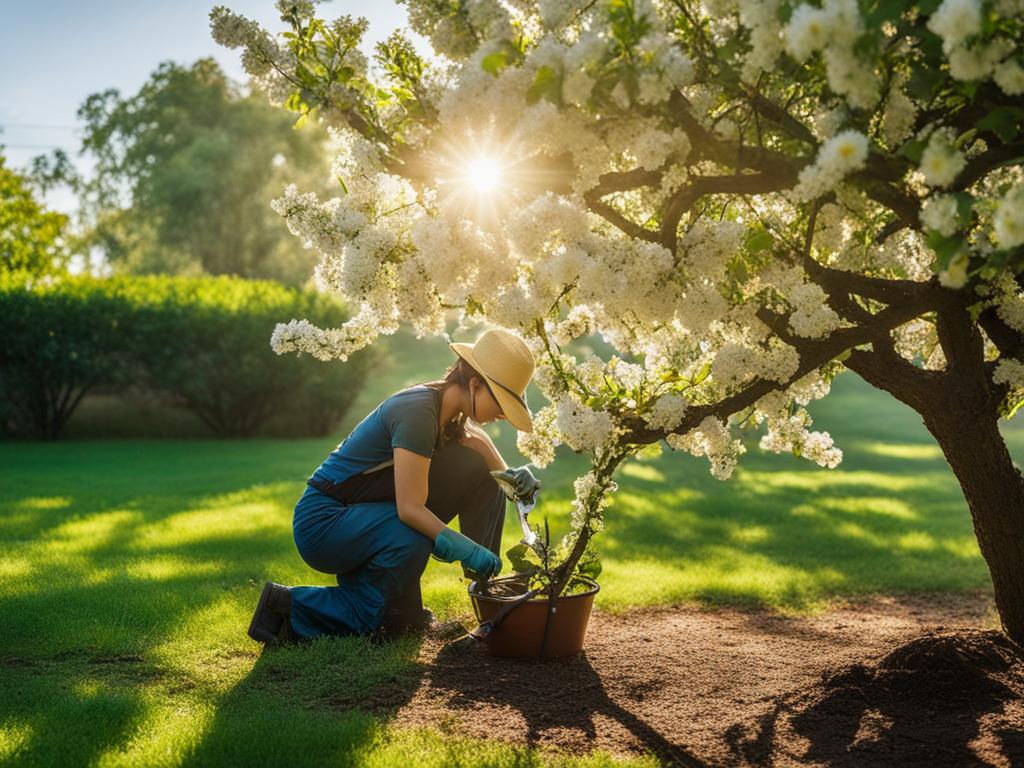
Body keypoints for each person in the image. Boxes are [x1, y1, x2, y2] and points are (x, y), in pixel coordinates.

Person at [247, 328, 542, 644]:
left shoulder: (447, 411)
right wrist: (466, 549)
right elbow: (410, 509)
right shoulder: (418, 412)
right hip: (324, 523)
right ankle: (285, 608)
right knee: (412, 537)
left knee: (471, 473)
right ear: (474, 384)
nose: (501, 415)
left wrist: (513, 479)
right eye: (501, 403)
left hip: (361, 517)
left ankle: (417, 608)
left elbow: (484, 458)